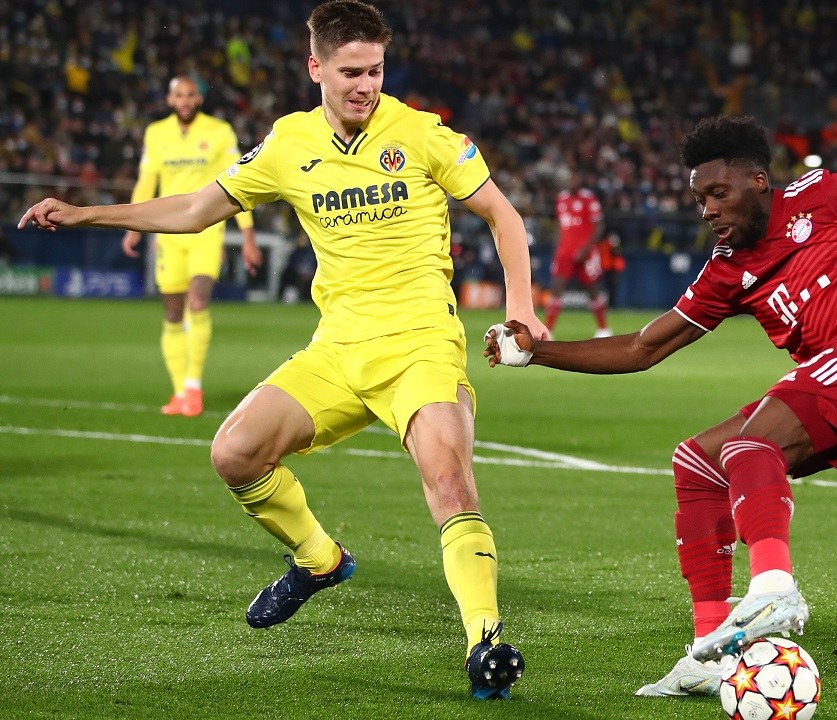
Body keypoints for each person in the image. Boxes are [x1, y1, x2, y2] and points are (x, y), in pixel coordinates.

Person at [20, 0, 547, 701]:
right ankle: (318, 558)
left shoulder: (422, 134)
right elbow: (194, 208)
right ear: (316, 68)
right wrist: (88, 212)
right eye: (351, 72)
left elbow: (503, 215)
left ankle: (485, 640)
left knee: (449, 479)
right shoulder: (287, 144)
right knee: (233, 453)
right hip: (337, 350)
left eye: (376, 70)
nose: (366, 85)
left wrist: (521, 309)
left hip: (420, 344)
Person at [485, 116, 837, 698]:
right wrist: (538, 352)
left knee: (750, 444)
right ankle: (711, 651)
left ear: (758, 180)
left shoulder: (828, 194)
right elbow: (642, 348)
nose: (708, 210)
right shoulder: (726, 270)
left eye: (718, 193)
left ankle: (773, 587)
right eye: (699, 200)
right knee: (698, 463)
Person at [123, 76, 262, 417]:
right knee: (173, 313)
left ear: (199, 98)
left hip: (206, 231)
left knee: (197, 302)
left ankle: (194, 386)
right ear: (170, 101)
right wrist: (132, 225)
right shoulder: (156, 133)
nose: (184, 101)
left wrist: (247, 235)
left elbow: (239, 183)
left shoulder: (219, 132)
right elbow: (147, 181)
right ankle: (179, 391)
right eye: (178, 95)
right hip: (168, 234)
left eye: (190, 95)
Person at [544, 168, 611, 338]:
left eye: (575, 178)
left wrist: (587, 248)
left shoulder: (589, 198)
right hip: (565, 252)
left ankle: (603, 329)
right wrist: (558, 248)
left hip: (586, 252)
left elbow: (599, 225)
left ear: (580, 180)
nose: (572, 182)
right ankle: (548, 331)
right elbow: (561, 226)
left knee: (592, 289)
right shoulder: (561, 199)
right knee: (556, 289)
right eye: (570, 178)